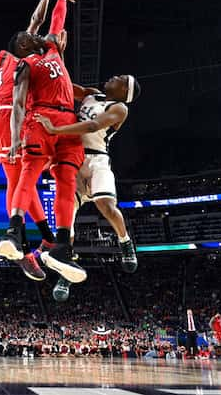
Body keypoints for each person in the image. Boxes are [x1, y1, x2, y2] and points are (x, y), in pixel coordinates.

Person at [0, 0, 67, 281]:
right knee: (19, 183)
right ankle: (23, 246)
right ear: (6, 55)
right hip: (14, 120)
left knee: (23, 182)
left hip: (1, 124)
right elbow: (35, 22)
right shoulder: (17, 61)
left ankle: (43, 237)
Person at [0, 0, 86, 284]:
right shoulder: (24, 67)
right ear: (20, 51)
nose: (27, 37)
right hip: (40, 120)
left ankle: (61, 244)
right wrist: (13, 140)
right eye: (22, 39)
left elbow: (55, 19)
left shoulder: (51, 47)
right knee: (29, 171)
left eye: (26, 35)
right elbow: (19, 105)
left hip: (68, 122)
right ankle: (14, 229)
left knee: (67, 180)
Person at [34, 74, 141, 297]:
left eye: (120, 79)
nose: (113, 77)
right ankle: (66, 269)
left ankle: (125, 242)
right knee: (66, 219)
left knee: (106, 205)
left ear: (124, 91)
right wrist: (45, 72)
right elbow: (64, 86)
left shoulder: (120, 108)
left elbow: (93, 126)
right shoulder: (92, 94)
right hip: (73, 158)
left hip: (97, 160)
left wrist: (55, 130)